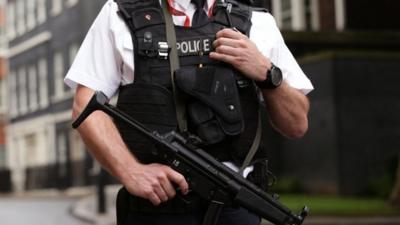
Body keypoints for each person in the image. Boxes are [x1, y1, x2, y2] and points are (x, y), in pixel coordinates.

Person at [65, 0, 313, 224]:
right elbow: (85, 106)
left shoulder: (257, 23)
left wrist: (267, 73)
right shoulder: (119, 15)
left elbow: (296, 124)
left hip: (235, 206)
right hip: (157, 208)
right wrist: (131, 171)